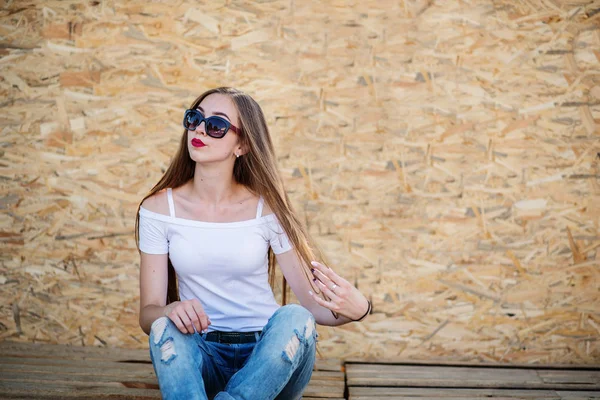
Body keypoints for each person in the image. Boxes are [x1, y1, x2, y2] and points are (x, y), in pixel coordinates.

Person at [135, 87, 371, 400]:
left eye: (216, 126)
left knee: (296, 316)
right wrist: (171, 309)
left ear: (243, 144)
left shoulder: (268, 208)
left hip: (269, 361)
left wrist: (361, 309)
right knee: (164, 328)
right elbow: (147, 315)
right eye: (194, 119)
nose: (200, 130)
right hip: (201, 353)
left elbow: (312, 306)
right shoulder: (158, 210)